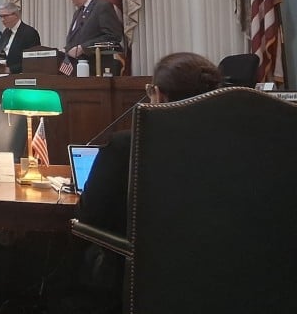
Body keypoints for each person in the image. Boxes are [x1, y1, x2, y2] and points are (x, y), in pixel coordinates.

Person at [52, 52, 222, 313]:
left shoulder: (128, 146)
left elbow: (88, 219)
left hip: (135, 282)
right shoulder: (230, 148)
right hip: (218, 282)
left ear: (159, 97)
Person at [64, 0, 123, 70]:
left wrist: (83, 48)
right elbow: (76, 38)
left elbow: (113, 36)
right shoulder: (78, 12)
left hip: (96, 67)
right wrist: (65, 50)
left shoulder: (102, 6)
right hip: (76, 67)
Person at [0, 2, 41, 74]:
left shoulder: (29, 33)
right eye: (0, 16)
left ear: (15, 15)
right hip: (2, 75)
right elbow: (0, 55)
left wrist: (11, 70)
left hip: (19, 76)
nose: (2, 20)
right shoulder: (6, 32)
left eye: (5, 16)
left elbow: (33, 60)